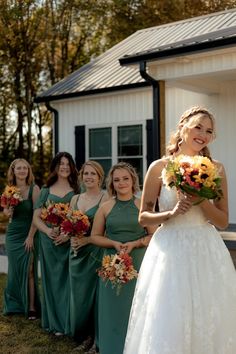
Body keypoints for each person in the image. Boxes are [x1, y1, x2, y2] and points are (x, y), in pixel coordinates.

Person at [123, 106, 236, 354]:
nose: (203, 134)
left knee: (209, 314)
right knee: (169, 315)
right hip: (169, 249)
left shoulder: (216, 169)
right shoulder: (159, 167)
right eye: (198, 127)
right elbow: (144, 218)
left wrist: (201, 201)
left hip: (205, 249)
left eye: (209, 131)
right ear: (183, 126)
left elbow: (222, 221)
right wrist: (170, 214)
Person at [77, 162, 154, 354]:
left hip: (138, 262)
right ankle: (110, 346)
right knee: (111, 308)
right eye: (117, 179)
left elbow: (154, 235)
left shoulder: (142, 205)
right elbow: (94, 236)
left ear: (133, 180)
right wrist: (113, 243)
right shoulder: (106, 207)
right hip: (111, 263)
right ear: (112, 183)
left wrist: (135, 244)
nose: (121, 183)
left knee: (135, 305)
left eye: (125, 178)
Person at [33, 152, 79, 336]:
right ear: (55, 166)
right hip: (49, 241)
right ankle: (53, 322)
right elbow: (36, 218)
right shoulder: (45, 190)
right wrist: (47, 231)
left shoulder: (77, 188)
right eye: (61, 163)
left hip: (69, 240)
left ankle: (67, 321)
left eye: (68, 164)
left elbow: (81, 215)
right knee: (51, 281)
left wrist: (68, 234)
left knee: (68, 281)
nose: (65, 167)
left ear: (72, 167)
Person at [68, 161, 109, 352]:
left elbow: (108, 230)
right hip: (76, 254)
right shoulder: (75, 199)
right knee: (79, 297)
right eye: (86, 174)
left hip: (95, 252)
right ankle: (83, 336)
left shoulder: (105, 198)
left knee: (95, 298)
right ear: (81, 176)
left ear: (100, 177)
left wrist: (87, 241)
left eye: (93, 174)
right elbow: (67, 224)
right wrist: (72, 239)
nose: (89, 177)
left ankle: (96, 340)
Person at [2, 158, 41, 320]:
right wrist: (8, 211)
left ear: (28, 171)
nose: (22, 171)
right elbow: (5, 212)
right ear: (14, 171)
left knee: (30, 269)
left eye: (25, 168)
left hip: (30, 232)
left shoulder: (35, 189)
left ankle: (31, 307)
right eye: (19, 168)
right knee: (15, 270)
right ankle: (15, 304)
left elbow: (36, 215)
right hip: (13, 235)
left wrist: (31, 236)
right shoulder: (9, 190)